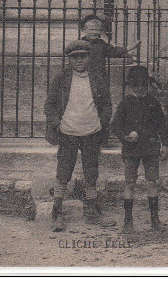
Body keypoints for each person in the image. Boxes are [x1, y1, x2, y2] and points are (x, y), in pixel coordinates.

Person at [44, 40, 115, 231]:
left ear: (89, 58)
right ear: (69, 59)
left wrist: (102, 122)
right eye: (75, 57)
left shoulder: (97, 79)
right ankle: (57, 211)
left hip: (92, 131)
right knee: (64, 171)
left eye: (83, 56)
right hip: (68, 133)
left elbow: (107, 104)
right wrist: (57, 124)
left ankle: (92, 210)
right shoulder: (61, 79)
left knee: (91, 171)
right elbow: (49, 105)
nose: (79, 61)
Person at [112, 66, 168, 233]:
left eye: (143, 84)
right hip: (131, 149)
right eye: (135, 85)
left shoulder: (153, 103)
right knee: (130, 183)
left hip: (151, 148)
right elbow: (116, 126)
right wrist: (125, 136)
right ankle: (128, 221)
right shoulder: (125, 103)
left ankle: (155, 219)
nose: (139, 88)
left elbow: (162, 125)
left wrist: (165, 144)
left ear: (148, 85)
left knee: (152, 182)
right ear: (130, 86)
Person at [79, 14, 139, 78]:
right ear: (83, 30)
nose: (94, 32)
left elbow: (113, 51)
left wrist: (128, 48)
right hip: (83, 75)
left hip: (99, 76)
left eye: (97, 30)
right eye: (91, 29)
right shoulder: (79, 44)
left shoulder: (101, 43)